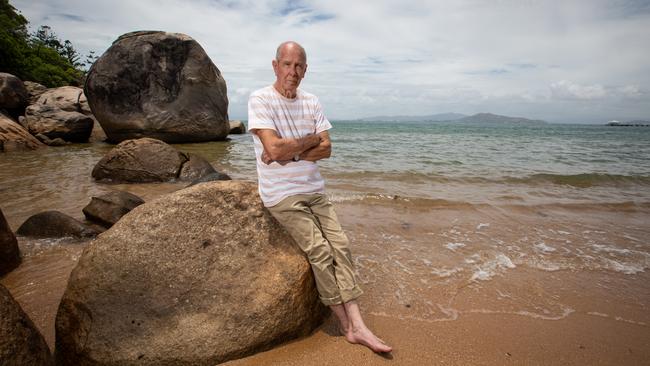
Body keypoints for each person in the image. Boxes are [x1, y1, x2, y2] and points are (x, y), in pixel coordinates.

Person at [247, 41, 392, 354]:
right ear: (275, 66)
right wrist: (305, 143)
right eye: (287, 64)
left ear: (305, 70)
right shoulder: (260, 99)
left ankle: (358, 324)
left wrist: (293, 150)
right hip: (281, 195)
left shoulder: (312, 102)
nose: (293, 71)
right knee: (320, 249)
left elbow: (326, 148)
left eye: (299, 66)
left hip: (315, 190)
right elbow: (272, 150)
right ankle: (347, 324)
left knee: (341, 245)